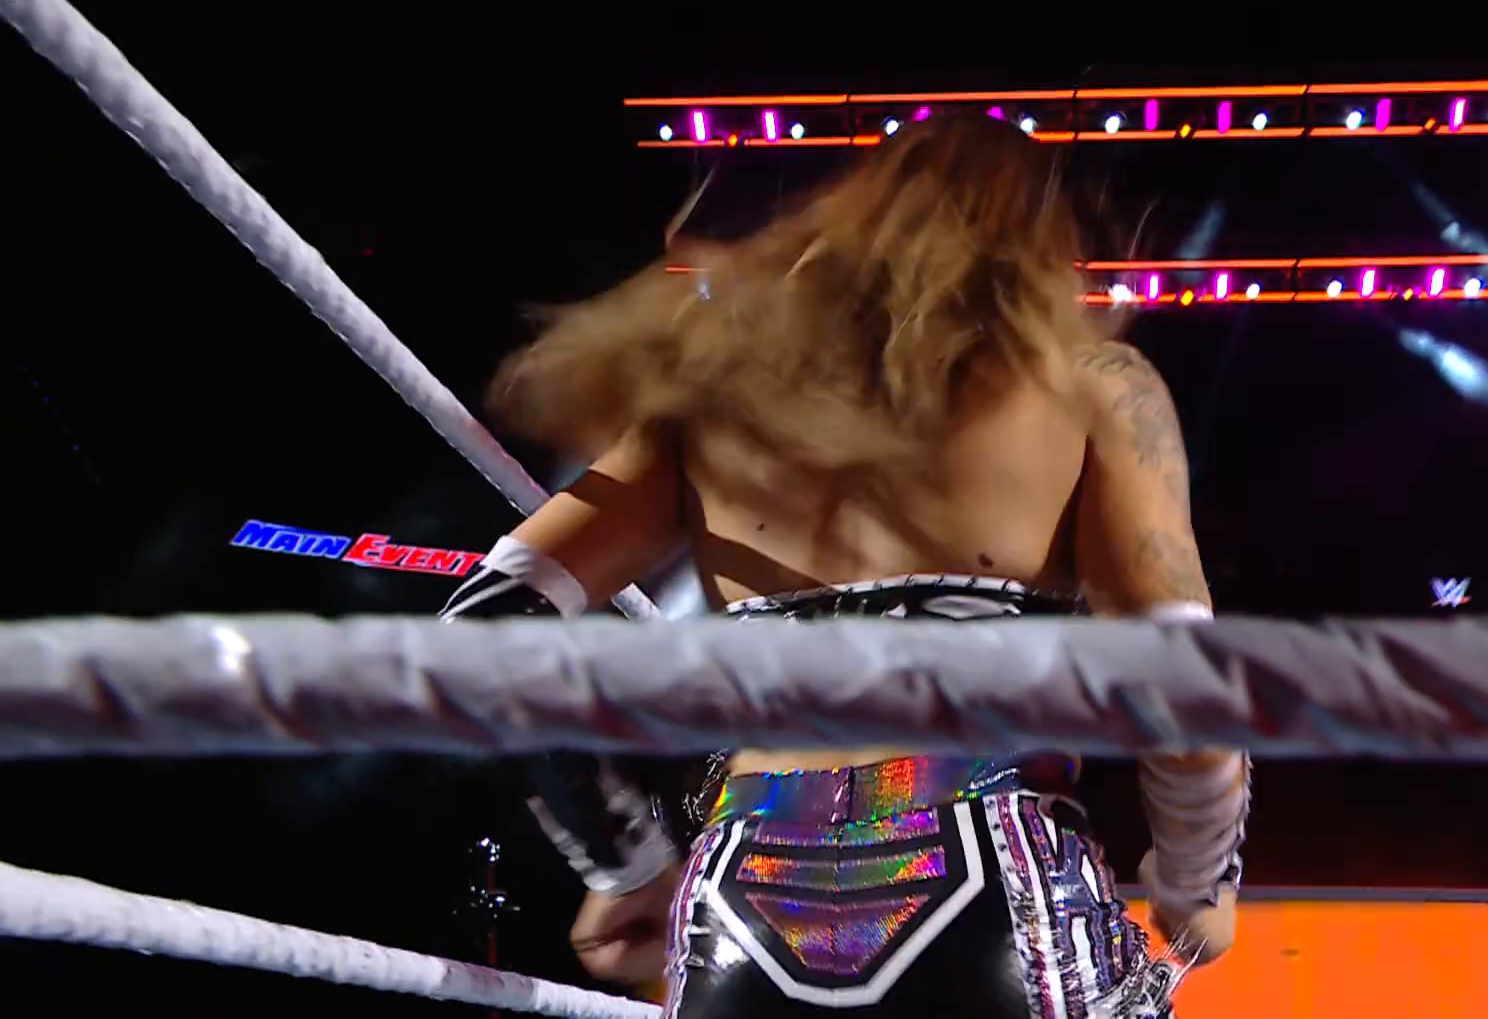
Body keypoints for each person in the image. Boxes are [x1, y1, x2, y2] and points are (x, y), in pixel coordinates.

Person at [440, 113, 1249, 1018]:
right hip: (995, 879)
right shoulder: (1094, 382)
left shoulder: (715, 399)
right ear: (1044, 242)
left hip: (742, 901)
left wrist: (623, 862)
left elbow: (485, 625)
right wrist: (1199, 881)